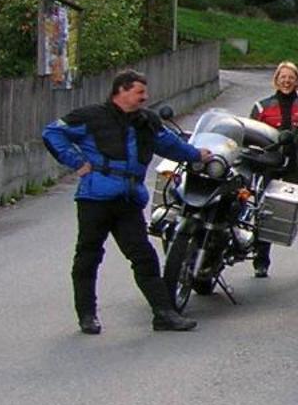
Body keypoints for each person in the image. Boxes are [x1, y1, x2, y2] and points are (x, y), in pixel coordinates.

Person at [41, 68, 204, 335]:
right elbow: (52, 132)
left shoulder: (147, 122)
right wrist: (75, 161)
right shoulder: (92, 117)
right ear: (122, 91)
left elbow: (171, 146)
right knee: (88, 256)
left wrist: (198, 155)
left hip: (128, 199)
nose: (145, 97)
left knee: (143, 256)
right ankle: (87, 315)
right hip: (95, 198)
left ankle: (164, 314)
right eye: (139, 92)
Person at [246, 61, 298, 278]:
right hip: (268, 165)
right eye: (283, 77)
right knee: (265, 211)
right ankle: (261, 262)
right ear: (276, 80)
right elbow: (249, 135)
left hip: (295, 166)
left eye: (291, 78)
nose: (287, 81)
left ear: (297, 81)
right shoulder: (261, 107)